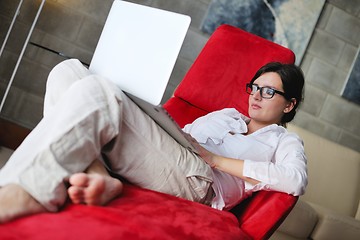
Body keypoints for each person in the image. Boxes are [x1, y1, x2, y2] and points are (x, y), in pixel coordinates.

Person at [0, 59, 307, 223]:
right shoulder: (227, 114)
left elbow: (295, 180)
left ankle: (27, 190)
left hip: (200, 181)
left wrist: (216, 160)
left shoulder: (285, 142)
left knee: (98, 92)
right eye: (254, 87)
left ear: (289, 105)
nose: (255, 95)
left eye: (268, 92)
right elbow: (182, 132)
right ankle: (99, 176)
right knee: (68, 71)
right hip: (173, 150)